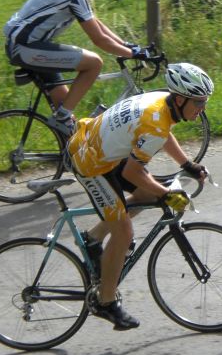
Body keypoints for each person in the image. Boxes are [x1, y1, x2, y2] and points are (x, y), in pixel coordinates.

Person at [66, 62, 213, 330]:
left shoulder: (161, 102)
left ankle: (93, 239)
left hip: (103, 149)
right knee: (124, 232)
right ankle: (105, 302)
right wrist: (168, 195)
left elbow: (162, 134)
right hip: (91, 163)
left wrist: (186, 164)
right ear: (180, 99)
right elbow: (134, 172)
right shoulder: (154, 121)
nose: (202, 108)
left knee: (149, 192)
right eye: (199, 102)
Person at [3, 0, 150, 134]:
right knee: (94, 63)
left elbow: (97, 24)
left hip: (27, 47)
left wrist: (126, 45)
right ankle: (63, 117)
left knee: (68, 121)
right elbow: (99, 40)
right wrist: (133, 54)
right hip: (25, 48)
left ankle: (69, 156)